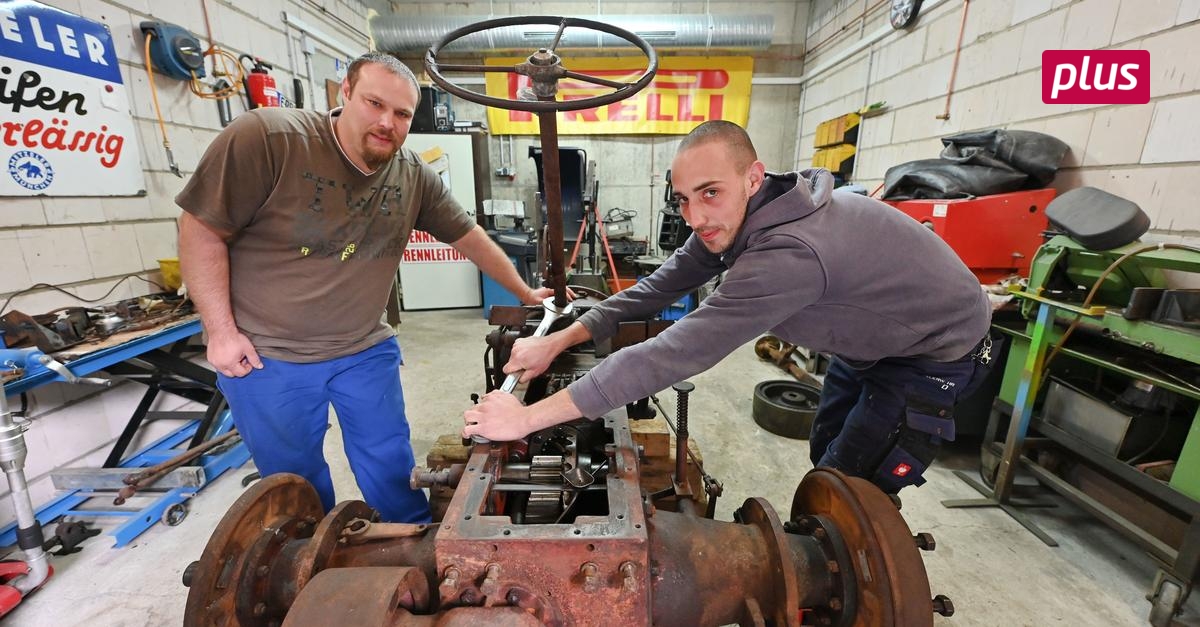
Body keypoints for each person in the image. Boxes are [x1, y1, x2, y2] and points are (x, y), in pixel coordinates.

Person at [463, 120, 994, 494]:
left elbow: (674, 353)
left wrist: (526, 418)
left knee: (848, 487)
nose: (695, 217)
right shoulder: (738, 218)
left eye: (710, 193)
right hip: (871, 347)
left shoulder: (789, 253)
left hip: (932, 353)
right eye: (684, 199)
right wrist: (559, 338)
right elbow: (655, 289)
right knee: (827, 451)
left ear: (753, 178)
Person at [177, 52, 553, 523]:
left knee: (391, 464)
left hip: (363, 348)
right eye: (375, 104)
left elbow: (467, 235)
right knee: (294, 481)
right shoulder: (269, 140)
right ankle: (312, 553)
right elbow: (200, 229)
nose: (386, 123)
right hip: (268, 354)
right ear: (346, 93)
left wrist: (525, 293)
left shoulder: (412, 174)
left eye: (402, 114)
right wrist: (220, 332)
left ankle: (411, 540)